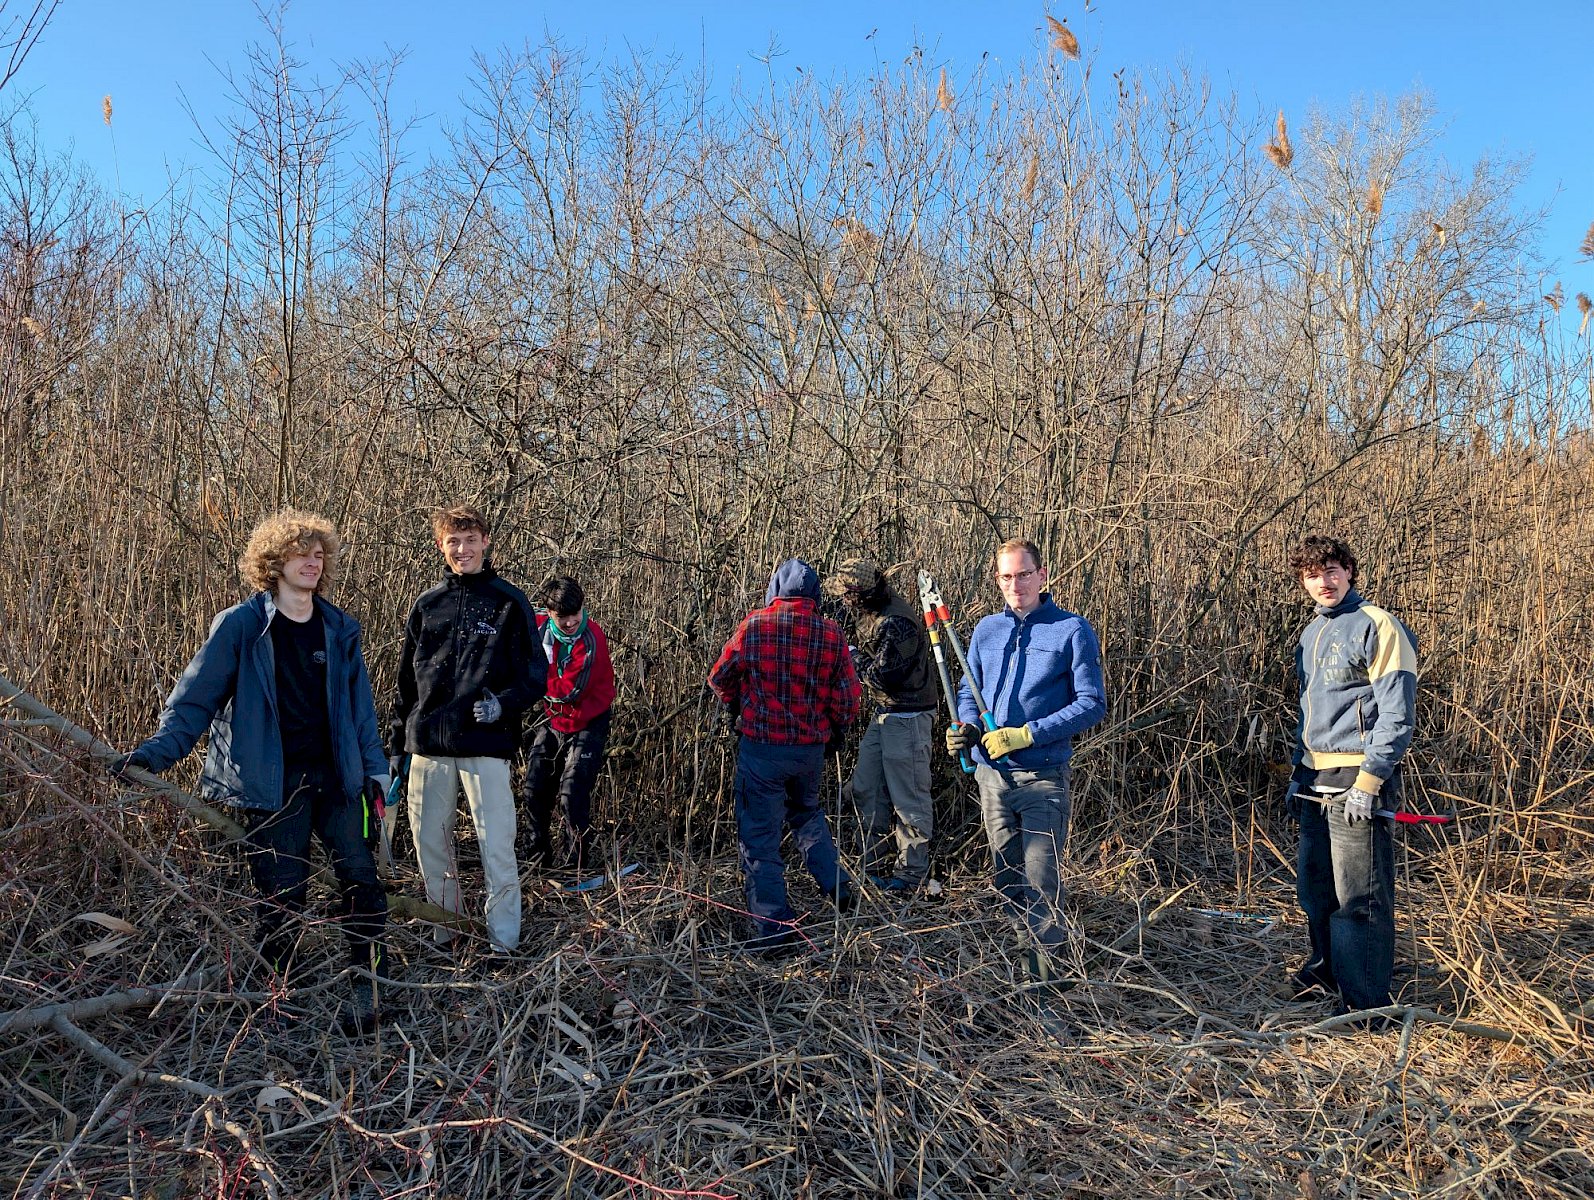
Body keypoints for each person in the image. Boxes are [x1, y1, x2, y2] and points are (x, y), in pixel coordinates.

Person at [108, 510, 389, 1035]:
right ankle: (276, 996)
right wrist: (155, 754)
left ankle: (367, 987)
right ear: (273, 562)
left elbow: (361, 712)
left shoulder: (339, 628)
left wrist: (375, 771)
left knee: (361, 881)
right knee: (283, 896)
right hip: (273, 785)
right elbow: (194, 699)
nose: (312, 562)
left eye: (318, 554)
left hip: (339, 779)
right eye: (300, 553)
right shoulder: (241, 625)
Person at [945, 538, 1106, 989]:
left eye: (1023, 574)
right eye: (1006, 577)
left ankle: (1046, 984)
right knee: (1008, 877)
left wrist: (1028, 734)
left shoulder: (1072, 630)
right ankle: (1022, 965)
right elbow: (969, 688)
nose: (1015, 585)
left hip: (1042, 775)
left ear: (1042, 575)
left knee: (1040, 881)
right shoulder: (986, 631)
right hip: (992, 775)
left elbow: (1092, 703)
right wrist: (966, 726)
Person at [390, 504, 544, 954]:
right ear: (441, 546)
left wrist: (503, 705)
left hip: (485, 744)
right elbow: (406, 683)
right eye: (453, 541)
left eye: (471, 540)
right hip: (428, 743)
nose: (463, 549)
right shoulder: (427, 604)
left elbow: (535, 675)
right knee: (431, 849)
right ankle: (448, 932)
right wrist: (397, 746)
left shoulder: (508, 602)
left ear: (486, 542)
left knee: (496, 847)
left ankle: (503, 942)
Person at [1285, 535, 1417, 1017]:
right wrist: (1298, 774)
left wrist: (1370, 780)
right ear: (1304, 583)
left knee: (1359, 896)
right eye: (1312, 575)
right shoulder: (1310, 633)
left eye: (1332, 570)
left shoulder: (1377, 625)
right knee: (1316, 890)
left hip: (1357, 777)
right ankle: (1325, 971)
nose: (1324, 581)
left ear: (1349, 571)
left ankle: (1364, 1003)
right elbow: (1309, 713)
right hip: (1313, 780)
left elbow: (1397, 715)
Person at [708, 558, 862, 953]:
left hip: (762, 749)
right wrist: (834, 728)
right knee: (807, 815)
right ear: (815, 595)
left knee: (760, 837)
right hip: (808, 751)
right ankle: (838, 887)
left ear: (774, 589)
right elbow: (849, 699)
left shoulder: (755, 625)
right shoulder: (831, 632)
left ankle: (773, 928)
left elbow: (720, 676)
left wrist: (738, 705)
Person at [826, 558, 938, 894]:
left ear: (859, 595)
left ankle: (910, 876)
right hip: (886, 713)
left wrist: (850, 653)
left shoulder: (896, 623)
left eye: (846, 595)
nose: (842, 600)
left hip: (908, 717)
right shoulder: (871, 611)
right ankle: (872, 864)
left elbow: (882, 676)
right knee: (866, 786)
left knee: (909, 799)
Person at [524, 575, 616, 874]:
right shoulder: (538, 626)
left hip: (589, 718)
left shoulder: (591, 640)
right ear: (549, 612)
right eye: (562, 617)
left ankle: (575, 866)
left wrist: (529, 681)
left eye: (575, 614)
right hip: (554, 719)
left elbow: (567, 691)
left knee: (572, 793)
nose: (570, 622)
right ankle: (537, 859)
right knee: (534, 787)